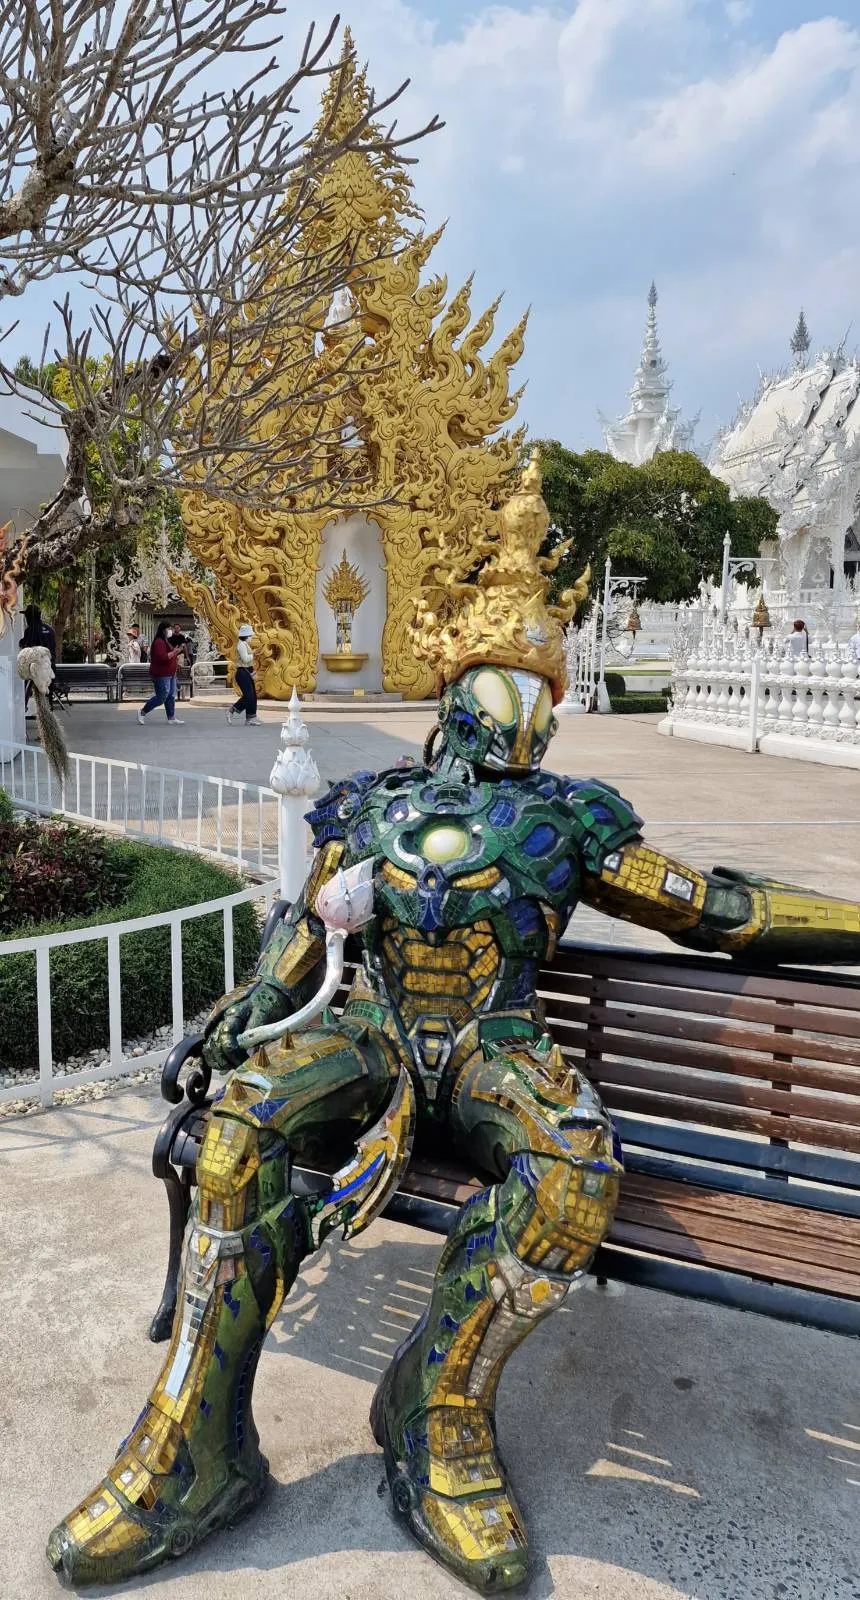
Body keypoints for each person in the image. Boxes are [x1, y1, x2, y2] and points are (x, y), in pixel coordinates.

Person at [48, 459, 860, 1595]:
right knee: (232, 1135)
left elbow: (717, 911)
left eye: (536, 686)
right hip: (371, 1027)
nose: (517, 706)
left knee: (571, 1172)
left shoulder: (567, 820)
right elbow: (303, 928)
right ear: (456, 686)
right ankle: (195, 1445)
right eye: (498, 680)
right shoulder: (375, 803)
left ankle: (437, 1405)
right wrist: (241, 1017)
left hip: (493, 1043)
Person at [136, 620, 184, 725]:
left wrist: (177, 651)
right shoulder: (159, 642)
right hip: (162, 674)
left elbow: (170, 654)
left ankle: (171, 717)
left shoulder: (165, 641)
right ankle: (142, 712)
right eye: (168, 629)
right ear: (163, 630)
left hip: (170, 673)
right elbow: (162, 657)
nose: (170, 631)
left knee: (171, 695)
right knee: (161, 697)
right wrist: (175, 652)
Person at [226, 622, 259, 725]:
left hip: (247, 671)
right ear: (246, 636)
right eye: (250, 636)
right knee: (248, 696)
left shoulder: (245, 644)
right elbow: (245, 659)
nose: (251, 638)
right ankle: (232, 709)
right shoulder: (241, 645)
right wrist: (254, 653)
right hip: (242, 673)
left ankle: (250, 718)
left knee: (253, 696)